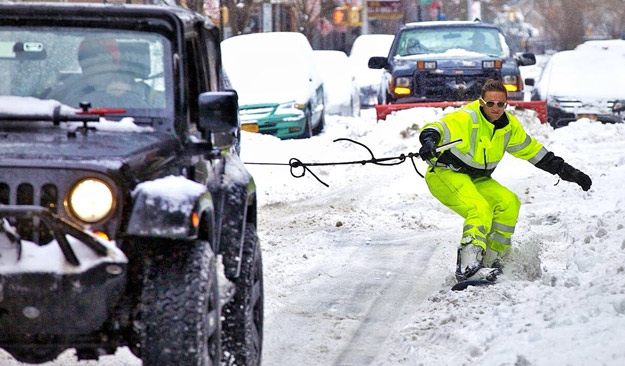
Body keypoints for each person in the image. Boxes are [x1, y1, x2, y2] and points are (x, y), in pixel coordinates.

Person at [418, 79, 592, 283]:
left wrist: (567, 171)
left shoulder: (509, 127)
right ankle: (467, 268)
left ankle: (490, 260)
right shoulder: (468, 117)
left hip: (477, 178)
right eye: (490, 103)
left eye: (501, 104)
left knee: (509, 203)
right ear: (481, 102)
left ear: (506, 104)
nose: (495, 108)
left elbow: (535, 153)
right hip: (445, 173)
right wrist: (429, 141)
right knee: (479, 208)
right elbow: (437, 128)